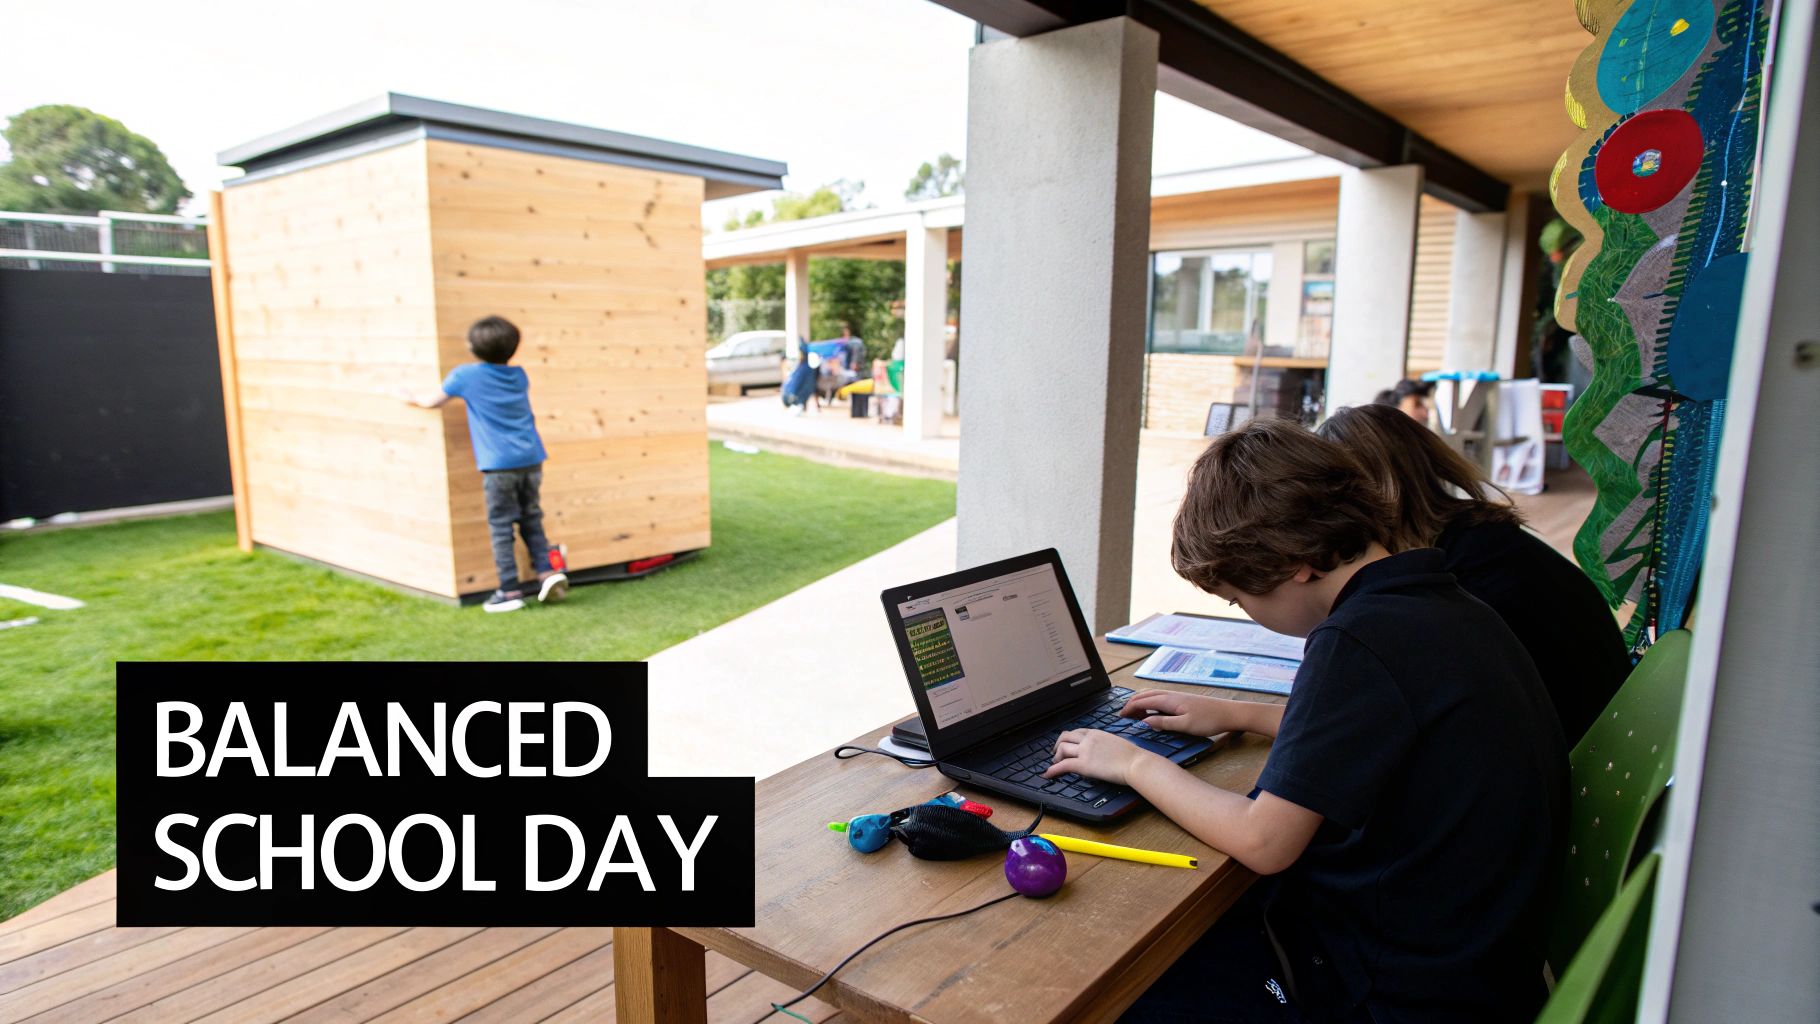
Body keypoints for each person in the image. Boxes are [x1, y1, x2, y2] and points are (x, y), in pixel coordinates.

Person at [1046, 419, 1565, 1023]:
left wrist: (1133, 762)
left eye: (1241, 599)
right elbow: (1392, 722)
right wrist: (1236, 712)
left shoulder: (1357, 639)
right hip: (1481, 962)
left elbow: (1264, 842)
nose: (1248, 612)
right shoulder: (1440, 602)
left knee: (1135, 978)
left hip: (1399, 994)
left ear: (1294, 563)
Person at [1317, 402, 1630, 743]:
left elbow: (1390, 723)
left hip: (1572, 763)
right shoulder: (1480, 537)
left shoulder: (1453, 577)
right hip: (1606, 744)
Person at [399, 315, 568, 613]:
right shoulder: (519, 375)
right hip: (531, 459)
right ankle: (547, 573)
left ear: (472, 347)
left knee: (501, 525)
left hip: (499, 464)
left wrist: (409, 397)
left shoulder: (465, 376)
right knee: (531, 518)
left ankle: (509, 590)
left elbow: (431, 401)